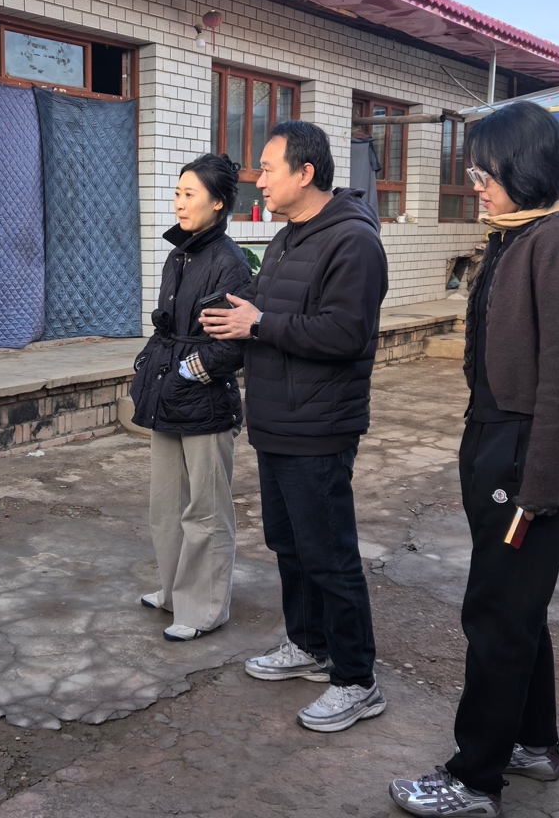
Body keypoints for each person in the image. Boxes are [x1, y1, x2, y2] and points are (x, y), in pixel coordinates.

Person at [388, 101, 559, 817]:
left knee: (495, 614)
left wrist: (536, 489)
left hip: (530, 451)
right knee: (517, 607)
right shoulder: (517, 237)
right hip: (497, 440)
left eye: (484, 173)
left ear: (523, 166)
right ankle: (533, 743)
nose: (475, 186)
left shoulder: (557, 246)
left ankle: (474, 779)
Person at [201, 120, 388, 732]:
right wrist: (234, 315)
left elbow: (345, 333)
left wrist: (258, 324)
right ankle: (310, 645)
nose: (258, 179)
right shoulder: (287, 238)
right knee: (290, 544)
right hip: (277, 418)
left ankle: (356, 679)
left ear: (306, 173)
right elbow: (267, 313)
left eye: (268, 167)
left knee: (329, 553)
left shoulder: (352, 241)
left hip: (319, 423)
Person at [129, 153, 253, 641]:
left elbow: (235, 342)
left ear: (217, 202)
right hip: (168, 397)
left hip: (204, 402)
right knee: (166, 506)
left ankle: (203, 609)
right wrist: (152, 369)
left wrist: (188, 371)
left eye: (189, 194)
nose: (179, 203)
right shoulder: (179, 253)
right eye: (177, 193)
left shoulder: (229, 262)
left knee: (206, 511)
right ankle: (173, 591)